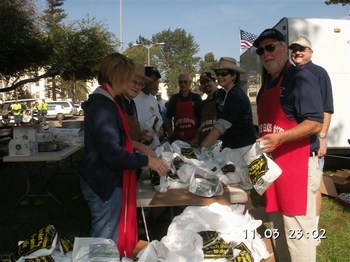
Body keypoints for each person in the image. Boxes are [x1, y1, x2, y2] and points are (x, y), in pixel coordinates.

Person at [78, 52, 168, 258]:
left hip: (104, 179)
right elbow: (112, 153)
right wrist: (147, 161)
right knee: (104, 238)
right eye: (128, 76)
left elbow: (113, 143)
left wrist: (137, 145)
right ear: (118, 76)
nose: (131, 82)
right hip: (104, 182)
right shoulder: (103, 105)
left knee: (107, 235)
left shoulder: (105, 102)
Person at [254, 28, 324, 261]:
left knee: (298, 234)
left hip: (298, 166)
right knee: (278, 229)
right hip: (274, 170)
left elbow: (315, 122)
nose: (266, 53)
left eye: (271, 47)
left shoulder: (300, 78)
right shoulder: (266, 86)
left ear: (284, 49)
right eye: (261, 50)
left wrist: (279, 138)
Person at [289, 35, 334, 241]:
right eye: (295, 49)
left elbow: (326, 109)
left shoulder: (319, 73)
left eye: (302, 49)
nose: (298, 52)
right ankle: (300, 226)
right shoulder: (289, 75)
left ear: (310, 52)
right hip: (294, 144)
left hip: (314, 143)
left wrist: (322, 138)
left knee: (314, 188)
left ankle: (313, 232)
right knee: (299, 187)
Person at [200, 58, 258, 189]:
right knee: (232, 185)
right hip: (230, 147)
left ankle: (244, 209)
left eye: (224, 73)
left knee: (240, 187)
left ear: (234, 76)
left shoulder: (236, 95)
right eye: (218, 73)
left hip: (243, 147)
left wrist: (202, 147)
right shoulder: (222, 93)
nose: (220, 76)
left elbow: (221, 126)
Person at [115, 63, 156, 157]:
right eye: (133, 81)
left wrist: (141, 135)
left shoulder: (132, 103)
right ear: (124, 80)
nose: (137, 86)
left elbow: (129, 135)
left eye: (141, 84)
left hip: (131, 157)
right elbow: (113, 139)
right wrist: (140, 146)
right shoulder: (115, 101)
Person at [165, 72, 202, 144]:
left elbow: (201, 119)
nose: (183, 84)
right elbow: (167, 118)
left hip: (193, 140)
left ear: (190, 83)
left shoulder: (196, 98)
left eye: (185, 82)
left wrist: (198, 137)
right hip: (178, 140)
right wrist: (170, 134)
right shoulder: (174, 98)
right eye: (180, 82)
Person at [133, 66, 163, 149]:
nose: (154, 82)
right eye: (151, 79)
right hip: (134, 145)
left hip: (150, 146)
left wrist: (159, 131)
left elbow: (158, 121)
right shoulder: (133, 96)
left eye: (156, 80)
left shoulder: (153, 100)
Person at [196, 72, 219, 145]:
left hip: (220, 145)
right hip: (204, 147)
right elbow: (200, 126)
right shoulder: (202, 104)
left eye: (208, 81)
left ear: (215, 82)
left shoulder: (223, 98)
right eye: (202, 82)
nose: (205, 84)